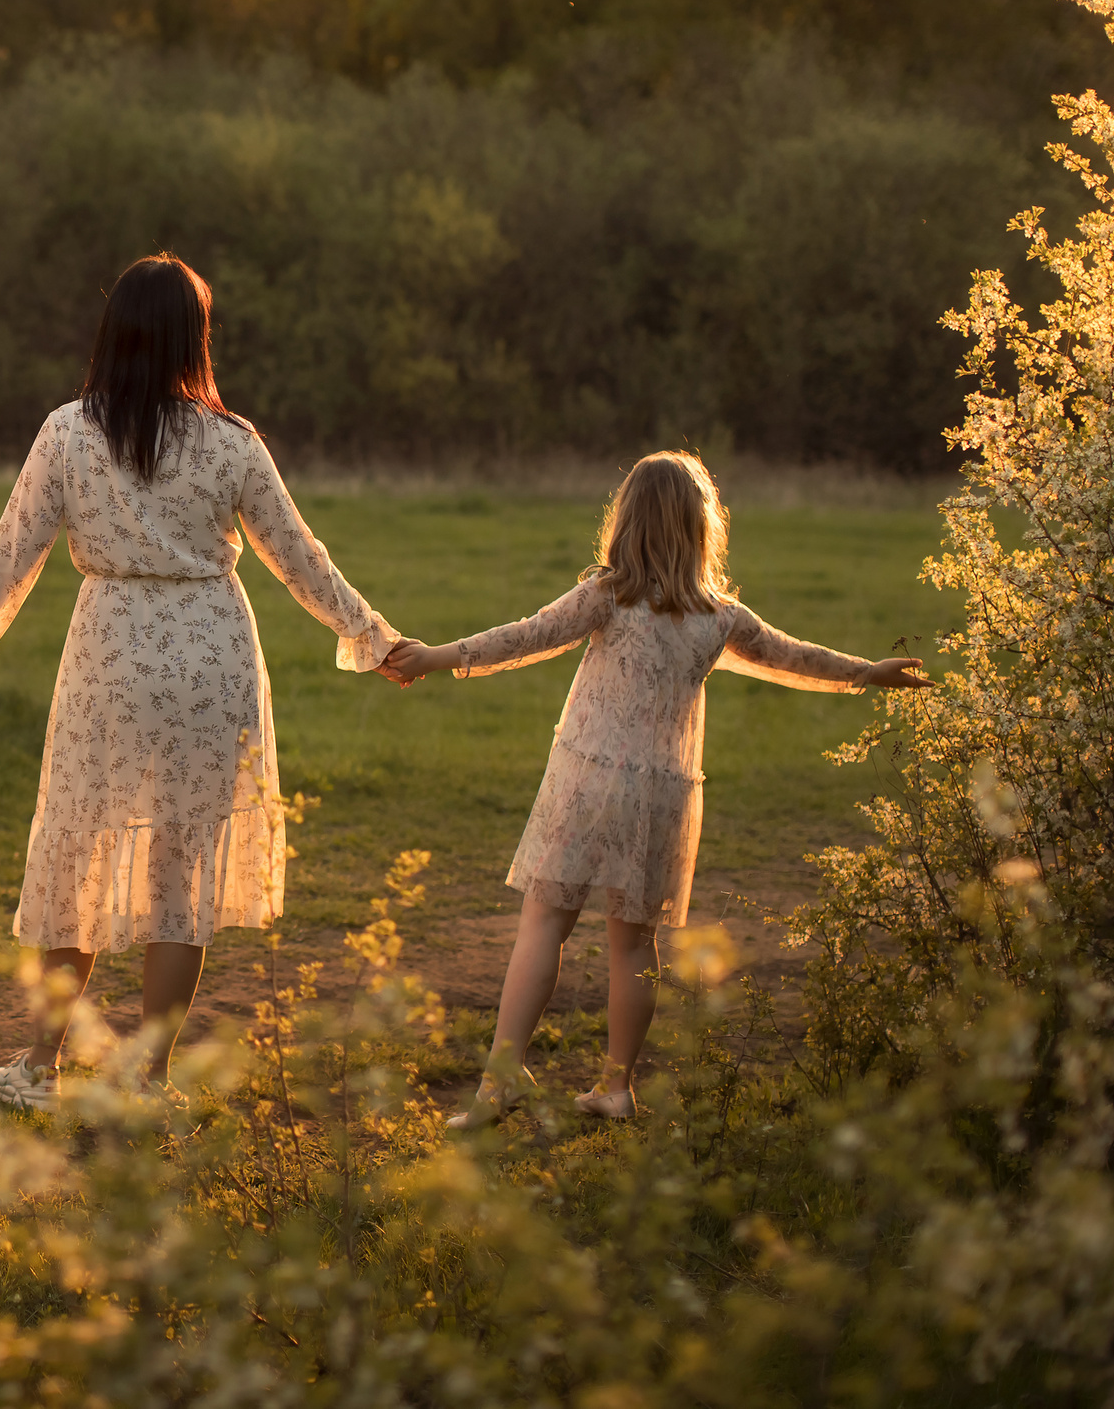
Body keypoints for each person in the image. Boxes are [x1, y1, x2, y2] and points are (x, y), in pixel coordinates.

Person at [0, 254, 403, 1110]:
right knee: (182, 870)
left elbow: (4, 567)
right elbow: (303, 560)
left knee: (81, 849)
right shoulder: (233, 443)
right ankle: (150, 1080)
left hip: (109, 653)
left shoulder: (68, 433)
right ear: (196, 337)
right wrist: (375, 638)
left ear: (112, 334)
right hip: (211, 656)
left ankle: (40, 1068)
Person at [379, 450, 931, 1127]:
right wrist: (866, 672)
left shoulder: (608, 595)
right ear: (702, 529)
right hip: (663, 795)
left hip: (586, 782)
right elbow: (795, 655)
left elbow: (527, 637)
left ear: (627, 521)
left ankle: (501, 1081)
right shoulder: (720, 616)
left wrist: (438, 657)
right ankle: (616, 1085)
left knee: (543, 924)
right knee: (634, 944)